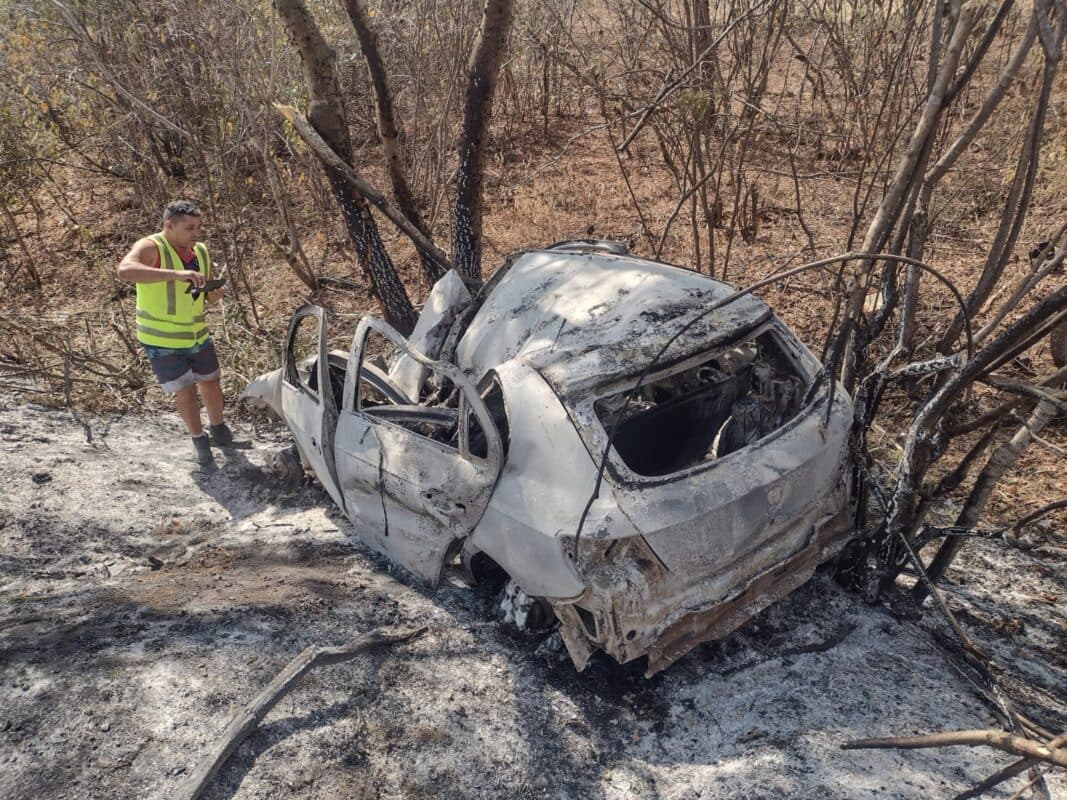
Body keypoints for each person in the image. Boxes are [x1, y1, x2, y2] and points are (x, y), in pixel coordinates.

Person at [117, 200, 244, 465]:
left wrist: (212, 294)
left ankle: (219, 431)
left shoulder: (201, 251)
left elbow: (202, 295)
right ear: (168, 226)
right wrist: (175, 274)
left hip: (197, 333)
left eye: (198, 227)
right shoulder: (152, 247)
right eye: (189, 228)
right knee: (184, 390)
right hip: (161, 339)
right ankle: (200, 442)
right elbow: (125, 270)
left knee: (211, 380)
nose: (196, 232)